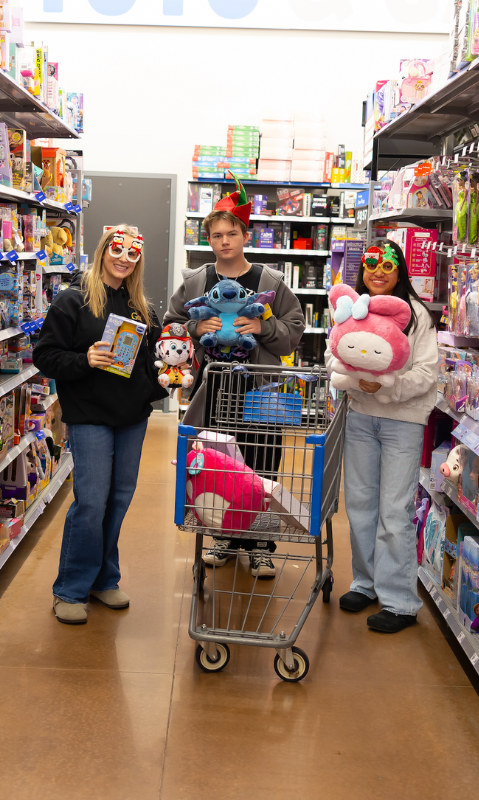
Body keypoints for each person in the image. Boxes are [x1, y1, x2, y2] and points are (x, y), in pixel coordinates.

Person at [164, 177, 305, 578]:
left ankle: (260, 544)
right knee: (218, 466)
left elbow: (293, 332)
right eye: (216, 235)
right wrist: (194, 329)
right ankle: (224, 536)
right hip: (213, 390)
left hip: (261, 390)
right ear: (207, 239)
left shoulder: (269, 283)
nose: (224, 242)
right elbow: (173, 327)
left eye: (231, 234)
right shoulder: (195, 283)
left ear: (246, 235)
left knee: (263, 464)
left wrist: (264, 329)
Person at [34, 225, 167, 624]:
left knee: (119, 499)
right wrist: (84, 360)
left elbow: (156, 360)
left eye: (133, 253)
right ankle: (70, 589)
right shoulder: (72, 301)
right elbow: (44, 355)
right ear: (103, 249)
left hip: (131, 417)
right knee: (91, 501)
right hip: (89, 414)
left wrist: (170, 370)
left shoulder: (141, 306)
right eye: (118, 249)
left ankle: (104, 578)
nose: (124, 258)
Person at [328, 240, 438, 633]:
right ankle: (365, 582)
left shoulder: (417, 315)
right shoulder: (352, 309)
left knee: (394, 510)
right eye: (371, 263)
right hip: (360, 417)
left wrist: (387, 389)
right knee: (359, 504)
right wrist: (353, 380)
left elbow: (427, 373)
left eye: (388, 264)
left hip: (403, 422)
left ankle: (399, 601)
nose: (378, 271)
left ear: (400, 270)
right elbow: (333, 354)